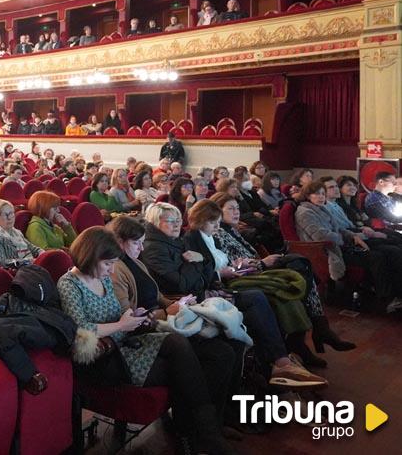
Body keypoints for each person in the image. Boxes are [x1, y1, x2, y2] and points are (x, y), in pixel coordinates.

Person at [58, 227, 235, 454]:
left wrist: (133, 316)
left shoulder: (104, 279)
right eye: (107, 264)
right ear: (89, 257)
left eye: (113, 263)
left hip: (124, 341)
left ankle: (202, 433)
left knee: (182, 345)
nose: (111, 269)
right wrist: (122, 325)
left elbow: (116, 315)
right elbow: (80, 328)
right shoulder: (69, 284)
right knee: (184, 364)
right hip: (105, 358)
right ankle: (203, 434)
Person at [139, 202, 327, 389]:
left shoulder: (174, 241)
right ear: (155, 222)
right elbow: (181, 282)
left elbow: (204, 273)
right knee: (257, 299)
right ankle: (278, 365)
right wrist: (197, 263)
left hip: (205, 291)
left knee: (265, 298)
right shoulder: (156, 248)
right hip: (188, 300)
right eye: (171, 220)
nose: (177, 224)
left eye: (178, 219)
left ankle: (279, 364)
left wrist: (209, 278)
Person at [210, 192, 355, 362]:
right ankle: (317, 330)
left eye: (237, 208)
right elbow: (230, 268)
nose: (237, 212)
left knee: (301, 266)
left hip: (258, 271)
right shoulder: (218, 233)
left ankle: (310, 335)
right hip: (246, 279)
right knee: (299, 268)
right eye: (231, 209)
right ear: (217, 212)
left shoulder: (232, 231)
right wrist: (262, 264)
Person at [297, 180, 402, 312]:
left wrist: (353, 236)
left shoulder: (321, 209)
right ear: (307, 196)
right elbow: (322, 236)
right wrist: (349, 240)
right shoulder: (305, 212)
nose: (321, 197)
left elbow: (339, 229)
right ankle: (387, 299)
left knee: (388, 251)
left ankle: (395, 292)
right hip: (328, 251)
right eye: (316, 194)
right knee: (377, 257)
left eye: (323, 194)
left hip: (340, 244)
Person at [0, 199, 42, 268]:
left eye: (11, 213)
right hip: (14, 275)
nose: (10, 218)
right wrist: (29, 262)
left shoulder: (16, 232)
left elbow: (33, 249)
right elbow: (0, 263)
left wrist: (43, 254)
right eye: (6, 214)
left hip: (30, 269)